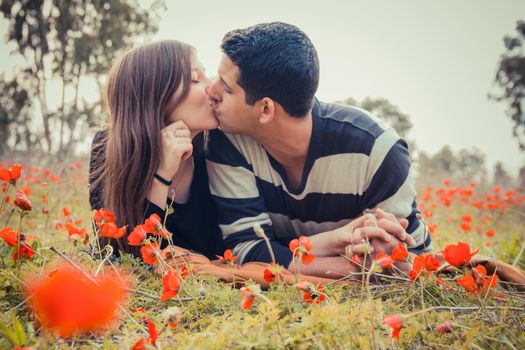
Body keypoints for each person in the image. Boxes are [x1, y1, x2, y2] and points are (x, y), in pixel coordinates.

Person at [205, 22, 431, 278]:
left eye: (226, 87)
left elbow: (397, 265)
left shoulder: (377, 152)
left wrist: (378, 261)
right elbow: (247, 249)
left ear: (266, 109)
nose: (210, 91)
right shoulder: (228, 140)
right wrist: (345, 262)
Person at [89, 40, 224, 259]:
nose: (213, 87)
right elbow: (125, 258)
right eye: (195, 80)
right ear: (155, 98)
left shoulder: (219, 147)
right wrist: (162, 175)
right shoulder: (108, 150)